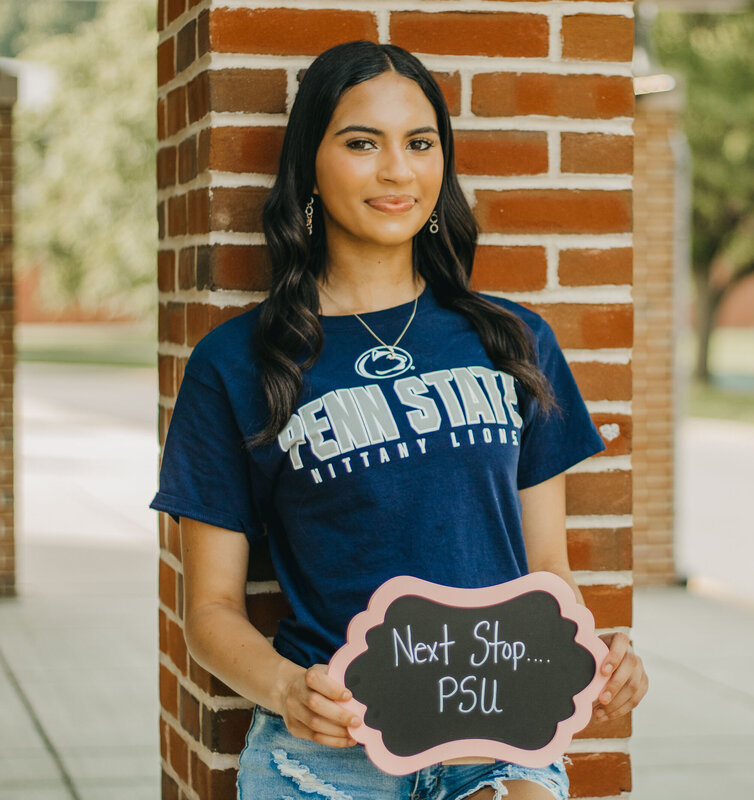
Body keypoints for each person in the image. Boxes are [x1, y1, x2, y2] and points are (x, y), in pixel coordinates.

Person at [151, 40, 647, 800]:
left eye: (420, 144)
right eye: (361, 143)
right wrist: (287, 689)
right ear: (309, 165)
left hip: (499, 737)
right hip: (329, 757)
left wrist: (589, 658)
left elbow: (547, 570)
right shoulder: (237, 363)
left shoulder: (511, 340)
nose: (397, 171)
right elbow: (211, 610)